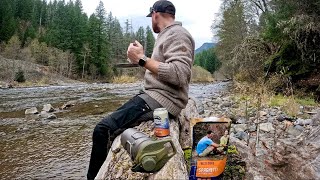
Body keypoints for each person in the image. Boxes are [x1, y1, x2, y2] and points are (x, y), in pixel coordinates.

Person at [87, 0, 195, 179]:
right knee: (109, 126)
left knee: (102, 130)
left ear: (155, 14)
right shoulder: (167, 35)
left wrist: (142, 59)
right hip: (153, 96)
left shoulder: (177, 34)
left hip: (160, 100)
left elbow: (179, 74)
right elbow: (160, 70)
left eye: (151, 17)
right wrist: (139, 60)